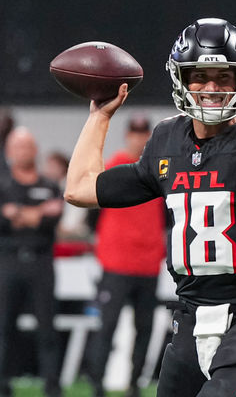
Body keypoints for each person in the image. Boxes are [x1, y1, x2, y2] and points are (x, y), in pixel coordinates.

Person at [65, 18, 236, 397]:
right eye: (199, 76)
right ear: (181, 78)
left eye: (224, 77)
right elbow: (80, 189)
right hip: (190, 319)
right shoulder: (166, 142)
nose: (211, 88)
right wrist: (100, 115)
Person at [85, 114, 166, 397]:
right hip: (116, 261)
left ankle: (134, 384)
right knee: (107, 326)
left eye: (144, 133)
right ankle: (97, 383)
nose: (139, 138)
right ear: (127, 135)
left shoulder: (159, 171)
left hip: (147, 264)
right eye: (135, 132)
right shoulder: (113, 167)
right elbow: (92, 213)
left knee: (143, 328)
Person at [0, 127, 64, 397]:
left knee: (47, 328)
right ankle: (1, 385)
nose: (23, 151)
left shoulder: (49, 185)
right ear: (9, 152)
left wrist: (18, 213)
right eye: (18, 147)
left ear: (36, 150)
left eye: (28, 146)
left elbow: (51, 219)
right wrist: (37, 212)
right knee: (4, 327)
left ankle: (52, 386)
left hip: (41, 261)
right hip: (7, 262)